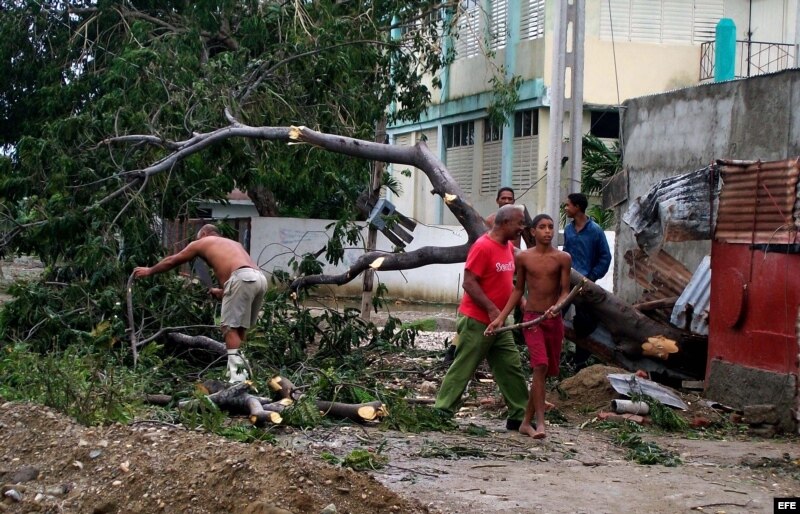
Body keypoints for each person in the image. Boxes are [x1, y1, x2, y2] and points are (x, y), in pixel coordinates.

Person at [434, 204, 530, 431]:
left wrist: (519, 302)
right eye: (519, 223)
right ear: (505, 223)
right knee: (464, 367)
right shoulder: (483, 247)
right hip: (477, 320)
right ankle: (442, 411)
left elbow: (507, 281)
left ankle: (520, 414)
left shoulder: (507, 247)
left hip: (499, 322)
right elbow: (469, 282)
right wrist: (490, 308)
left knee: (511, 367)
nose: (522, 228)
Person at [133, 224, 267, 383]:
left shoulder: (203, 242)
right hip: (259, 279)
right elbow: (241, 272)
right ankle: (244, 374)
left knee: (229, 328)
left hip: (242, 278)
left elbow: (172, 260)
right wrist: (223, 291)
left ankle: (237, 380)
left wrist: (149, 271)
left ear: (204, 233)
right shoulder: (233, 244)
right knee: (241, 329)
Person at [486, 214, 571, 439]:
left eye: (551, 227)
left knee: (545, 372)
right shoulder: (523, 258)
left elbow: (564, 291)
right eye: (542, 227)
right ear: (532, 232)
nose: (547, 231)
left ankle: (525, 422)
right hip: (532, 319)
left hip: (553, 320)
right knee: (540, 366)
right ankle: (541, 423)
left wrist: (558, 306)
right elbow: (517, 290)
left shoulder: (563, 258)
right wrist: (500, 318)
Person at [563, 193, 611, 369]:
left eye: (568, 205)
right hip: (567, 283)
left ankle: (581, 363)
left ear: (577, 207)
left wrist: (592, 277)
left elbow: (605, 257)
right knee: (556, 315)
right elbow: (566, 254)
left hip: (586, 284)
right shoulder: (568, 230)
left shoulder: (595, 230)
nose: (566, 208)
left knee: (584, 322)